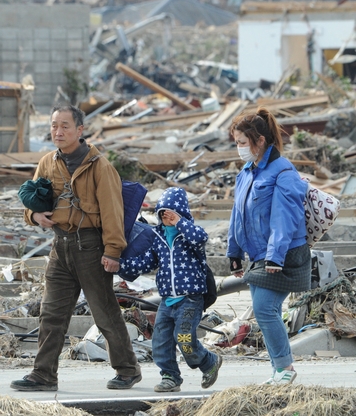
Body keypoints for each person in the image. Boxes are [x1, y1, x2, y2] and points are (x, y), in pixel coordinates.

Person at [11, 105, 141, 392]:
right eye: (54, 125)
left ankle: (128, 369)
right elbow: (31, 198)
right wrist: (34, 216)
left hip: (91, 247)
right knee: (51, 313)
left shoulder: (100, 166)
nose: (58, 131)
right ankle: (43, 374)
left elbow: (112, 212)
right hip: (60, 246)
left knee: (104, 311)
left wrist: (113, 251)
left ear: (80, 131)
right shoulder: (48, 161)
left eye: (65, 126)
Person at [227, 107, 311, 385]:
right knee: (267, 310)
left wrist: (275, 257)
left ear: (260, 140)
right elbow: (237, 214)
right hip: (259, 254)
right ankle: (279, 370)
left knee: (264, 308)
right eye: (236, 143)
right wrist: (234, 252)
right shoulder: (247, 172)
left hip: (284, 254)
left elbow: (283, 220)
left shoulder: (283, 172)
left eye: (242, 143)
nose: (239, 149)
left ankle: (285, 367)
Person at [118, 187, 222, 392]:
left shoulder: (189, 235)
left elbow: (200, 238)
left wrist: (179, 222)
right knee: (160, 341)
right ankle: (170, 377)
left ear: (181, 212)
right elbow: (145, 263)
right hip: (167, 301)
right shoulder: (158, 237)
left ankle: (208, 361)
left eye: (171, 212)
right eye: (162, 213)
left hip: (190, 299)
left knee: (184, 339)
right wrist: (120, 265)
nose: (167, 217)